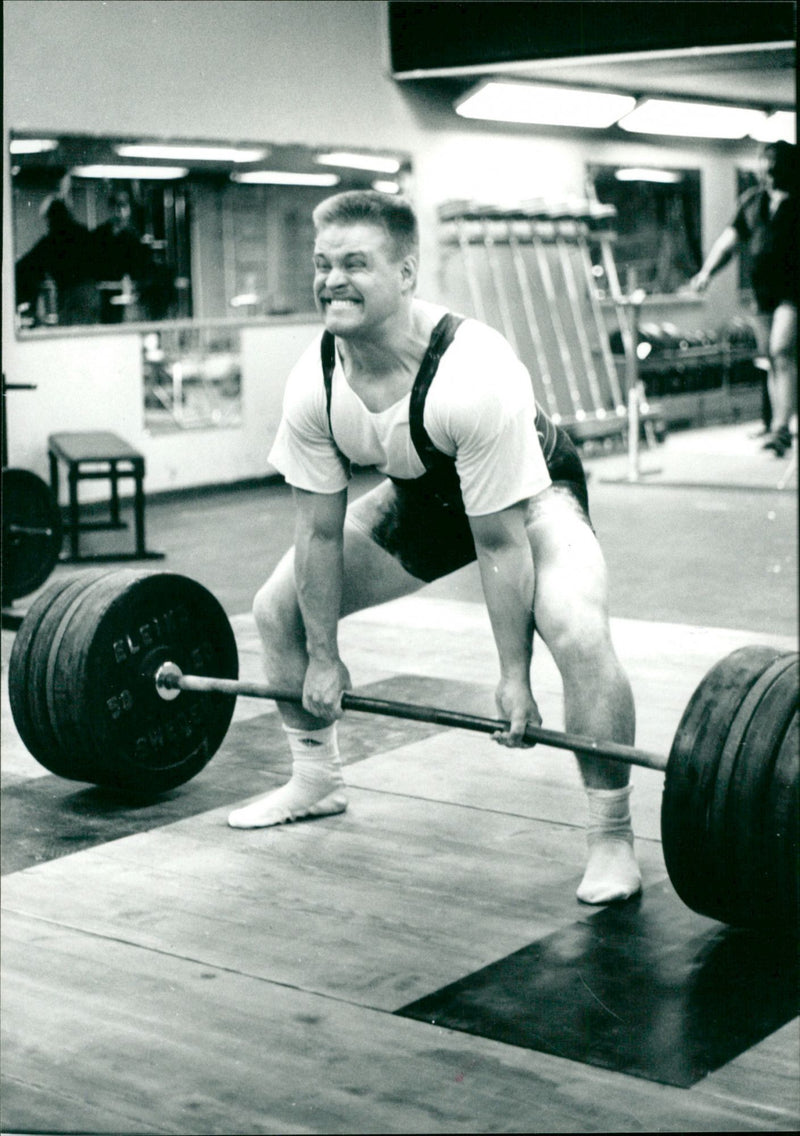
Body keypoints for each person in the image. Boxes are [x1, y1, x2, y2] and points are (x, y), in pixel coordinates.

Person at [228, 191, 641, 908]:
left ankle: (611, 835)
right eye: (323, 265)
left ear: (407, 273)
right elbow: (319, 532)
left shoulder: (474, 370)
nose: (332, 280)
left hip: (530, 495)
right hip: (421, 497)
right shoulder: (314, 382)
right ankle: (316, 780)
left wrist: (514, 677)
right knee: (277, 608)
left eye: (355, 263)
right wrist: (323, 655)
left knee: (576, 630)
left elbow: (500, 540)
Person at [690, 141, 797, 458]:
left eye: (773, 163)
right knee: (772, 360)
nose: (768, 169)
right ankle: (780, 429)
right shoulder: (754, 202)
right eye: (765, 162)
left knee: (782, 350)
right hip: (763, 293)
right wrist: (707, 272)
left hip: (793, 293)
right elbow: (730, 242)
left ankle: (780, 428)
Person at [14, 196, 99, 325]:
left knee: (70, 337)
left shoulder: (51, 241)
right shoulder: (84, 233)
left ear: (51, 218)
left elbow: (27, 265)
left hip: (70, 296)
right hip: (91, 294)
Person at [90, 188, 154, 323]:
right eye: (116, 206)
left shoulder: (133, 238)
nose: (120, 212)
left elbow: (140, 268)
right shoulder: (99, 235)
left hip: (127, 293)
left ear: (129, 209)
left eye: (124, 206)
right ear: (111, 209)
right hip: (102, 293)